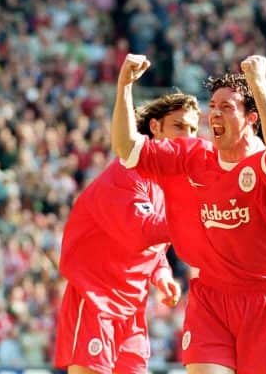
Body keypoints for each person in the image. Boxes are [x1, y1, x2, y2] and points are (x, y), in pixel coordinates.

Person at [112, 54, 266, 374]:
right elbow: (128, 149)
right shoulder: (192, 155)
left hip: (264, 302)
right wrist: (124, 86)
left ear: (251, 118)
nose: (215, 113)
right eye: (212, 106)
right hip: (209, 297)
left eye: (227, 107)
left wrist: (258, 83)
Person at [54, 92, 200, 374]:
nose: (188, 136)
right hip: (96, 298)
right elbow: (141, 232)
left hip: (132, 308)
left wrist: (162, 275)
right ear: (155, 128)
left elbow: (153, 249)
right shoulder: (127, 173)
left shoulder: (168, 182)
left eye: (193, 129)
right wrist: (197, 218)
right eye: (179, 126)